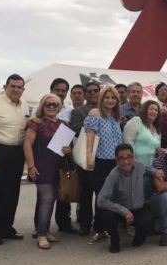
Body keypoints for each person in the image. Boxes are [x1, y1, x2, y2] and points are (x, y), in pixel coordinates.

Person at [0, 74, 29, 244]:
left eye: (19, 87)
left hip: (16, 153)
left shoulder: (25, 106)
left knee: (12, 193)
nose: (16, 89)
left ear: (23, 89)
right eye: (13, 86)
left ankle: (6, 227)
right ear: (5, 87)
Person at [23, 94, 72, 249]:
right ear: (42, 106)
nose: (51, 108)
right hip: (41, 167)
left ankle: (44, 229)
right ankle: (42, 234)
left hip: (57, 167)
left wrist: (68, 149)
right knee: (47, 199)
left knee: (52, 199)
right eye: (48, 104)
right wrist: (31, 166)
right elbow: (27, 144)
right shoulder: (35, 123)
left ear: (59, 107)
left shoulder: (62, 124)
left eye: (55, 105)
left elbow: (67, 147)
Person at [95, 144, 154, 253]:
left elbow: (148, 169)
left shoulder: (140, 167)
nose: (126, 161)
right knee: (105, 215)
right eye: (122, 158)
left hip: (138, 208)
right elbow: (101, 200)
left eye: (129, 157)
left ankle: (139, 237)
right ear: (117, 160)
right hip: (120, 211)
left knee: (148, 222)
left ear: (133, 157)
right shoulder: (113, 175)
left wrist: (156, 172)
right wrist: (124, 211)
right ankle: (115, 240)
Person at [83, 86, 123, 245]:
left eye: (113, 98)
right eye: (107, 97)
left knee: (109, 196)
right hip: (99, 161)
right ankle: (98, 228)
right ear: (101, 99)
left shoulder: (115, 117)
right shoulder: (95, 115)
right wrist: (89, 157)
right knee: (101, 196)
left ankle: (104, 227)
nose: (110, 100)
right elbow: (90, 137)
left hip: (114, 163)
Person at [69, 81, 100, 236]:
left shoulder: (107, 109)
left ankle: (100, 223)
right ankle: (85, 223)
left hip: (102, 156)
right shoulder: (78, 111)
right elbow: (74, 129)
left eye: (95, 90)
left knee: (101, 193)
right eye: (89, 91)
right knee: (85, 193)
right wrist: (91, 120)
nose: (93, 93)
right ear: (85, 94)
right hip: (84, 155)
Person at [48, 78, 76, 234]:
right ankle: (41, 225)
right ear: (51, 90)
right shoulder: (42, 106)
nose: (60, 93)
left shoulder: (70, 110)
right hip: (45, 155)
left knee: (64, 188)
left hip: (62, 155)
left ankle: (64, 223)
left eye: (63, 90)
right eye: (57, 89)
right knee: (45, 192)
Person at [123, 100, 161, 168]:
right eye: (151, 109)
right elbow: (127, 144)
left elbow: (157, 150)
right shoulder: (136, 121)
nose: (153, 111)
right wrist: (132, 163)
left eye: (156, 110)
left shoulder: (157, 129)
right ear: (145, 110)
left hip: (151, 168)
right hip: (134, 167)